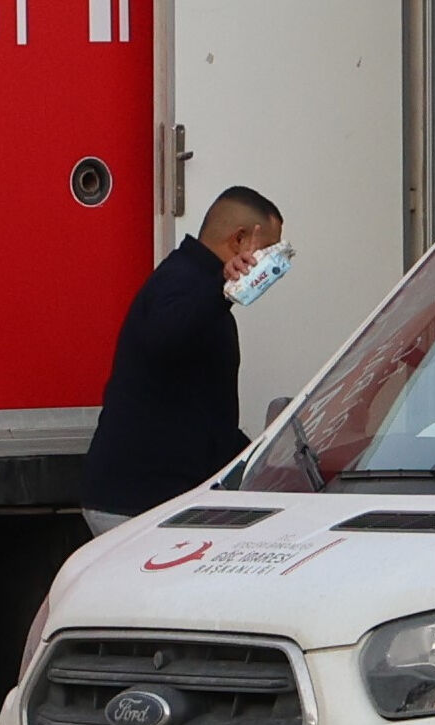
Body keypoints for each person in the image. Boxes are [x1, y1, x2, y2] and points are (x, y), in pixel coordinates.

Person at [82, 186, 288, 527]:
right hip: (138, 504)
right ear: (239, 241)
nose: (272, 264)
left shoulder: (198, 287)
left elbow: (207, 413)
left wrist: (263, 459)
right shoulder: (180, 281)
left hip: (159, 498)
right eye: (268, 252)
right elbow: (167, 334)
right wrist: (224, 289)